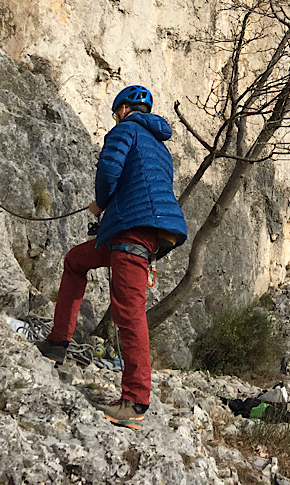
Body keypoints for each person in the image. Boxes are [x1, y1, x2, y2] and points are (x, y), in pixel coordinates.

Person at [37, 85, 187, 430]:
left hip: (131, 233)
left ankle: (135, 401)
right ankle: (58, 342)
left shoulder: (125, 130)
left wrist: (100, 203)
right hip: (139, 232)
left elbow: (109, 171)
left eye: (116, 111)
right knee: (76, 260)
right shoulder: (161, 149)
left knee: (129, 312)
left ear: (122, 109)